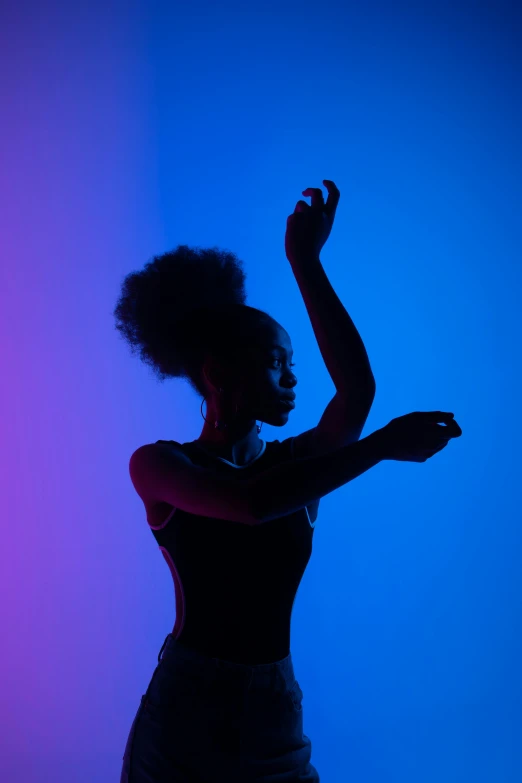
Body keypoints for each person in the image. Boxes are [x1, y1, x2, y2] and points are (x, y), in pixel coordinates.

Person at [113, 244, 462, 781]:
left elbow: (357, 391)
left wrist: (305, 259)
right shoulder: (159, 465)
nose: (293, 380)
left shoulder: (300, 466)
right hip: (186, 712)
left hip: (275, 705)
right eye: (277, 363)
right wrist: (379, 446)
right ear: (217, 374)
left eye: (292, 364)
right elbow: (252, 506)